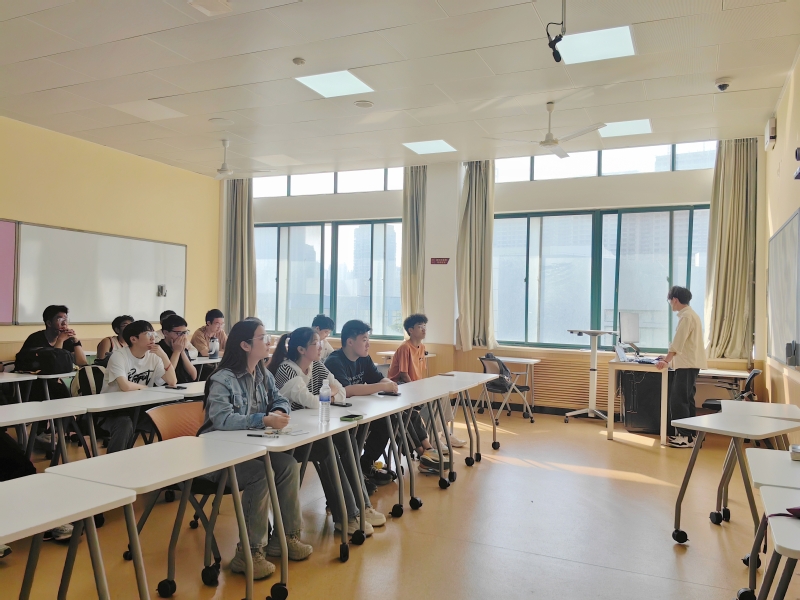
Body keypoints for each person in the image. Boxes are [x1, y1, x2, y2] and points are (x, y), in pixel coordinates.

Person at [198, 319, 312, 580]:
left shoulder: (262, 373)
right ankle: (249, 553)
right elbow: (222, 419)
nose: (269, 342)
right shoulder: (222, 379)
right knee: (260, 474)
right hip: (218, 457)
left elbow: (280, 398)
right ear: (245, 345)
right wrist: (264, 420)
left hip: (248, 450)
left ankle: (285, 538)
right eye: (263, 338)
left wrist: (279, 410)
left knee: (287, 466)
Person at [269, 327, 386, 534]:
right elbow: (312, 402)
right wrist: (329, 395)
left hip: (310, 431)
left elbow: (342, 392)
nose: (320, 346)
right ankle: (347, 516)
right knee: (327, 449)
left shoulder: (317, 366)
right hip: (289, 439)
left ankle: (363, 506)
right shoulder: (287, 370)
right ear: (301, 349)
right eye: (315, 343)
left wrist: (329, 395)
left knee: (346, 441)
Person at [324, 320, 402, 487]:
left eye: (368, 339)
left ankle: (366, 464)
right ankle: (354, 474)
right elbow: (348, 390)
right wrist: (383, 386)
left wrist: (390, 384)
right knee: (357, 431)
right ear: (350, 342)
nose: (368, 344)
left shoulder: (364, 359)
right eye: (364, 340)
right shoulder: (335, 361)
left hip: (358, 410)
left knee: (388, 420)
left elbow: (378, 378)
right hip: (338, 416)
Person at [387, 314, 458, 472]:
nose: (424, 329)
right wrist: (419, 390)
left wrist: (423, 387)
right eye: (420, 326)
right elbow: (404, 375)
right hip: (401, 387)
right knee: (430, 402)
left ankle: (444, 433)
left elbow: (419, 374)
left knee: (443, 395)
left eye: (425, 326)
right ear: (411, 330)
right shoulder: (405, 347)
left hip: (414, 385)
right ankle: (433, 439)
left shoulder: (422, 348)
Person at [100, 321, 177, 453]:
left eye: (153, 334)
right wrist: (146, 388)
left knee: (170, 416)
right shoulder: (119, 356)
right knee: (125, 424)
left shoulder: (154, 356)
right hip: (114, 410)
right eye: (148, 334)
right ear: (133, 339)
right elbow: (124, 386)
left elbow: (172, 381)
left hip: (139, 407)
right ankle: (114, 461)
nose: (153, 338)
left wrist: (164, 356)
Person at [656, 286, 708, 449]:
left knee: (678, 400)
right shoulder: (692, 315)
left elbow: (678, 342)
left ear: (675, 300)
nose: (670, 304)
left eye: (670, 301)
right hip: (689, 364)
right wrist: (667, 359)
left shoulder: (686, 316)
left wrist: (666, 360)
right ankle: (690, 435)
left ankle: (685, 437)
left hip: (686, 365)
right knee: (687, 400)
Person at [21, 305, 88, 401]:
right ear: (49, 323)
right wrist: (60, 340)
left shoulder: (66, 339)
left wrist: (76, 341)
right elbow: (55, 365)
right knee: (59, 390)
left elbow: (82, 362)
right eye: (60, 319)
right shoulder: (35, 339)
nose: (64, 323)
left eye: (66, 319)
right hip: (34, 382)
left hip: (55, 380)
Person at [157, 314, 197, 384]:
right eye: (179, 333)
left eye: (185, 333)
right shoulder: (158, 349)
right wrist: (176, 352)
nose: (183, 337)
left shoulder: (182, 348)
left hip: (185, 386)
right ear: (165, 333)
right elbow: (164, 380)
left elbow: (194, 376)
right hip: (167, 387)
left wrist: (182, 351)